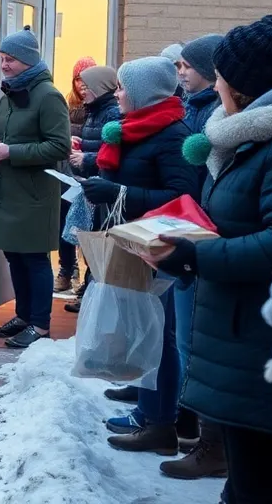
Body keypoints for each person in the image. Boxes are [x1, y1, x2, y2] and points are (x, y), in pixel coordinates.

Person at [156, 10, 272, 504]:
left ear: (240, 86)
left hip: (264, 338)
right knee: (246, 482)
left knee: (257, 483)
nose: (213, 85)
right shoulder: (253, 137)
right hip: (243, 333)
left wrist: (195, 257)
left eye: (218, 76)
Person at [79, 57, 200, 455]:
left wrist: (118, 192)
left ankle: (160, 424)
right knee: (147, 333)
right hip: (135, 242)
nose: (117, 94)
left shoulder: (171, 133)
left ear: (144, 93)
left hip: (157, 248)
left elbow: (182, 196)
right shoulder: (135, 127)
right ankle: (149, 414)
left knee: (159, 336)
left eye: (123, 87)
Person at [158, 32, 227, 481]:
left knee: (193, 339)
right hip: (189, 230)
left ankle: (202, 431)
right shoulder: (191, 108)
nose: (179, 73)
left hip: (203, 234)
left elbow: (193, 177)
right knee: (182, 335)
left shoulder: (215, 115)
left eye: (186, 65)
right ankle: (188, 420)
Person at [0, 31, 71, 348]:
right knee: (15, 256)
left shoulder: (48, 96)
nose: (4, 65)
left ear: (29, 60)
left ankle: (40, 325)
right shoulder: (9, 95)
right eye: (2, 59)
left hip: (34, 194)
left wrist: (11, 152)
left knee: (34, 258)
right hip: (8, 191)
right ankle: (23, 316)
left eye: (11, 59)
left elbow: (59, 146)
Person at [62, 65, 120, 310]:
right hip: (91, 184)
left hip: (101, 187)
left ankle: (92, 293)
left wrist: (86, 158)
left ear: (100, 87)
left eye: (87, 86)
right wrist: (82, 144)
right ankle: (89, 290)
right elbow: (99, 142)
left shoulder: (111, 113)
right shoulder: (95, 110)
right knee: (90, 238)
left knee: (98, 241)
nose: (82, 90)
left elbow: (114, 151)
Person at [56, 55, 97, 293]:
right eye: (78, 78)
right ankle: (67, 270)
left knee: (89, 228)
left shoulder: (101, 107)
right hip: (67, 174)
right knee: (65, 224)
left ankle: (89, 276)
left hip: (90, 174)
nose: (82, 83)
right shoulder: (65, 105)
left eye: (87, 78)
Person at [177, 34, 224, 134]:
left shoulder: (217, 111)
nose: (181, 72)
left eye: (187, 66)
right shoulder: (192, 103)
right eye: (180, 66)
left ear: (205, 69)